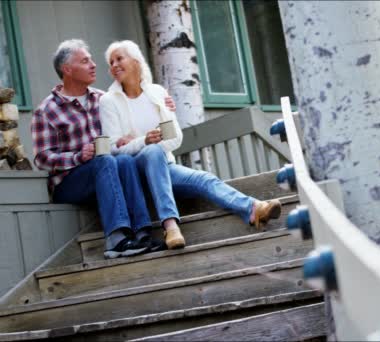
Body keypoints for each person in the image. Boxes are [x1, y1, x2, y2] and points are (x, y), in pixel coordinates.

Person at [99, 40, 282, 250]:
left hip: (164, 166)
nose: (114, 65)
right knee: (151, 151)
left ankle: (253, 209)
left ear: (136, 61)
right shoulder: (108, 101)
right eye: (110, 62)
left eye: (119, 58)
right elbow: (114, 148)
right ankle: (170, 226)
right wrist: (145, 140)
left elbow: (175, 138)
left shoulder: (156, 93)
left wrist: (136, 140)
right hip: (134, 174)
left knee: (203, 179)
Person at [31, 39, 174, 259]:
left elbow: (139, 105)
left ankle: (143, 234)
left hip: (108, 175)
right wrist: (78, 156)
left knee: (124, 161)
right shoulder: (47, 110)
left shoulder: (103, 99)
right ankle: (116, 240)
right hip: (69, 183)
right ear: (67, 69)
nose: (94, 65)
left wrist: (164, 104)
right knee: (106, 161)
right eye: (85, 61)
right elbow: (41, 159)